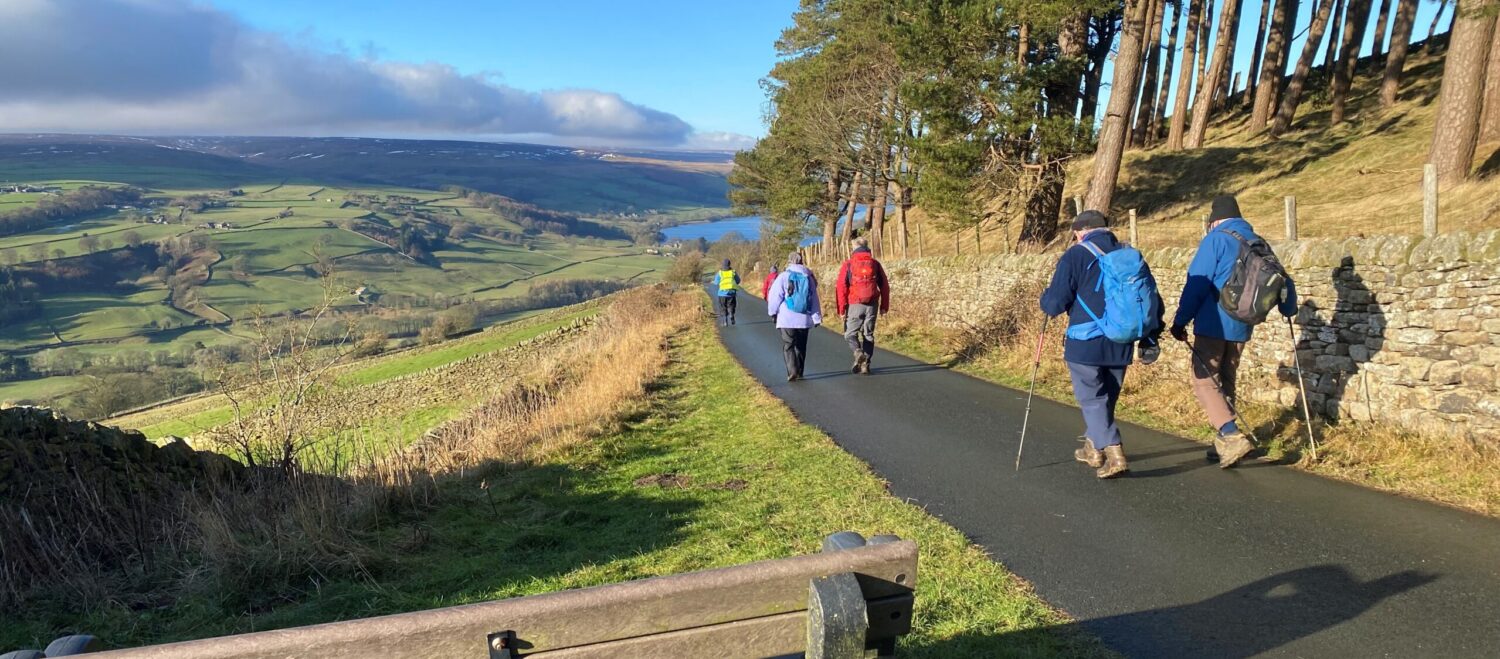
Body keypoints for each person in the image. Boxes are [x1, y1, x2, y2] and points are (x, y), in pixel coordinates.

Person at [1171, 195, 1298, 468]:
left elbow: (1198, 283)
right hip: (1243, 324)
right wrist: (1288, 310)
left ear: (1213, 219)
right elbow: (1284, 279)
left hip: (1213, 322)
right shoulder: (1256, 240)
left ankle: (1231, 434)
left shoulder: (1216, 239)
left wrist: (1181, 321)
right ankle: (1224, 443)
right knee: (1226, 377)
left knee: (1204, 379)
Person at [1040, 211, 1164, 479]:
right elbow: (1152, 299)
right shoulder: (1129, 254)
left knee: (1092, 399)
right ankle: (1093, 449)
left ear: (1079, 232)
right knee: (1105, 399)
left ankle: (1114, 451)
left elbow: (1054, 304)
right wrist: (1151, 337)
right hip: (1121, 339)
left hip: (1085, 342)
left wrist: (1044, 299)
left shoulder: (1075, 255)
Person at [835, 237, 890, 375]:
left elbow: (841, 287)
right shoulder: (875, 264)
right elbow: (884, 286)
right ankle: (865, 364)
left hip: (855, 303)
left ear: (854, 248)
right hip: (872, 304)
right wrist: (884, 306)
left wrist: (841, 309)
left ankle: (858, 352)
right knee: (868, 334)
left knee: (850, 334)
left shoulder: (848, 264)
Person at [766, 251, 822, 382]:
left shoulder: (783, 276)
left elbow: (775, 296)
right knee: (801, 346)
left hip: (786, 318)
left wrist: (772, 312)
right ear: (802, 261)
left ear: (789, 261)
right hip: (804, 318)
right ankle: (800, 371)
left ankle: (792, 371)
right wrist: (816, 317)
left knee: (788, 345)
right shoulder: (808, 277)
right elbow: (814, 299)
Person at [713, 259, 740, 326]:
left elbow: (716, 282)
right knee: (731, 305)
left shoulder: (720, 273)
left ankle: (725, 321)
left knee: (723, 307)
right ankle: (731, 314)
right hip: (731, 293)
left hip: (722, 293)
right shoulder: (733, 272)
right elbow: (738, 281)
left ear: (722, 265)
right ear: (729, 264)